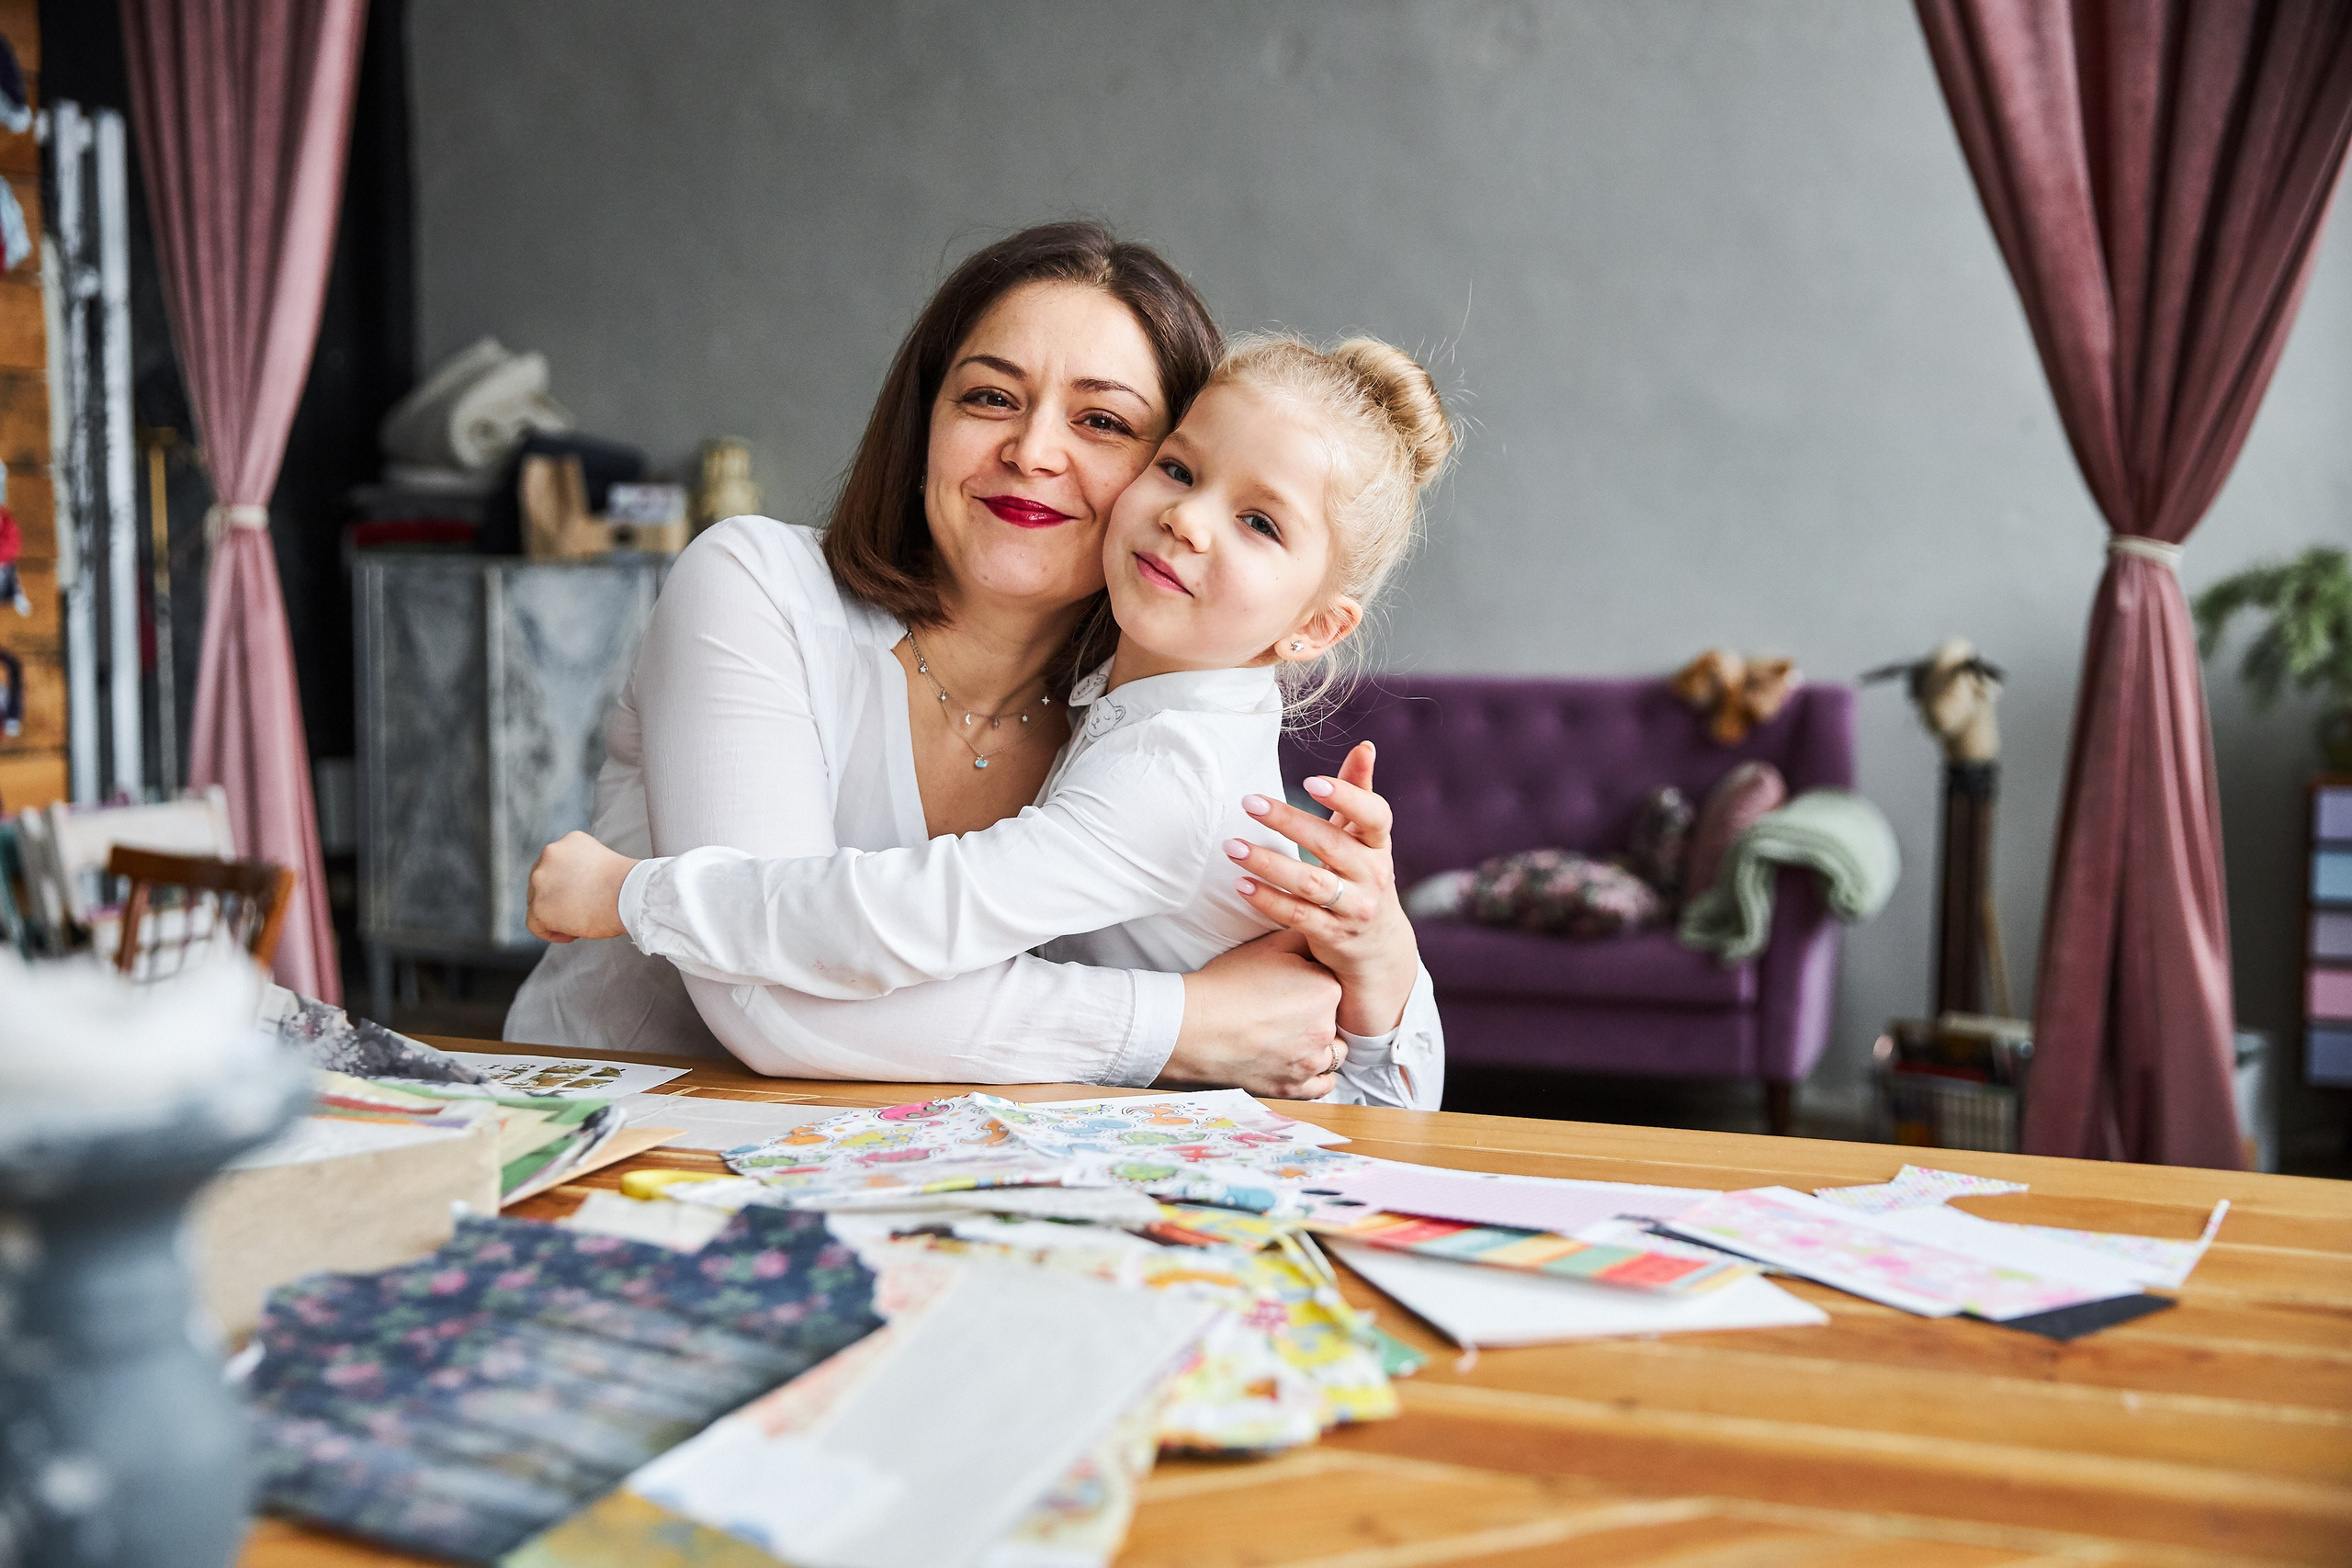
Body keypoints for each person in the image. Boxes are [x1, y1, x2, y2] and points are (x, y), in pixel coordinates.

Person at [505, 221, 1442, 1103]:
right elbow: (770, 1006)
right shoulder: (757, 585)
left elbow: (1382, 1090)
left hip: (908, 1171)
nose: (1033, 452)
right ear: (924, 421)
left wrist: (1383, 960)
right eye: (989, 397)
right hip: (625, 1133)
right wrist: (1184, 1026)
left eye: (1103, 423)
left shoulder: (1154, 725)